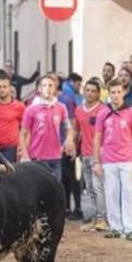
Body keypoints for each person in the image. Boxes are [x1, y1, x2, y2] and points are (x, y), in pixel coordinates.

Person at [93, 79, 132, 240]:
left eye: (118, 92)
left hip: (128, 160)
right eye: (113, 92)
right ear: (109, 94)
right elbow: (97, 139)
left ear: (123, 92)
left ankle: (130, 228)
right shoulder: (103, 113)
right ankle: (115, 226)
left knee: (129, 193)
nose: (116, 96)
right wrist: (97, 162)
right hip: (109, 160)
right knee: (111, 193)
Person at [19, 74, 76, 182]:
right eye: (44, 85)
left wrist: (69, 140)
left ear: (55, 88)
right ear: (39, 89)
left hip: (55, 158)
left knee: (54, 192)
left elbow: (68, 128)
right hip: (36, 158)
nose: (48, 88)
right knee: (38, 192)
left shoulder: (61, 107)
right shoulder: (31, 109)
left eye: (50, 85)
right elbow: (22, 134)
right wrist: (25, 155)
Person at [75, 78, 108, 231]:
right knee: (89, 187)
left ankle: (102, 218)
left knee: (98, 187)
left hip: (99, 155)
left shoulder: (103, 110)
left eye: (93, 91)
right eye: (87, 90)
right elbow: (76, 130)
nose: (89, 93)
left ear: (98, 93)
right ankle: (93, 218)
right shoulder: (79, 110)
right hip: (85, 154)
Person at [59, 73, 83, 220]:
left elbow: (73, 123)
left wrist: (71, 143)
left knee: (71, 178)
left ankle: (76, 208)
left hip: (67, 145)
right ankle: (68, 207)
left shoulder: (66, 100)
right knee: (66, 178)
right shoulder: (64, 99)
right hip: (59, 146)